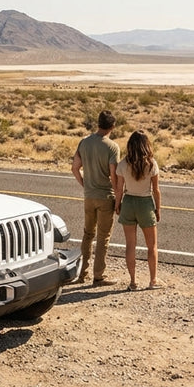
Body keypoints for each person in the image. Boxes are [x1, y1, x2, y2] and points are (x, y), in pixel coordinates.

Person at [71, 111, 121, 286]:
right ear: (112, 127)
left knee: (87, 234)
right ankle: (98, 276)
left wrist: (85, 184)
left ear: (98, 123)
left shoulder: (84, 142)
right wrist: (119, 197)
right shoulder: (112, 147)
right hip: (106, 195)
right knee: (103, 237)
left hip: (89, 196)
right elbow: (114, 176)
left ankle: (82, 274)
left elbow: (75, 168)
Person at [113, 131, 161, 290]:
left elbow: (119, 189)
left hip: (128, 203)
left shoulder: (123, 164)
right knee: (152, 246)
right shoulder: (152, 164)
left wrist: (117, 204)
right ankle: (153, 280)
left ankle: (133, 282)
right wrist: (158, 208)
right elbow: (156, 190)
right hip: (145, 203)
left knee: (130, 245)